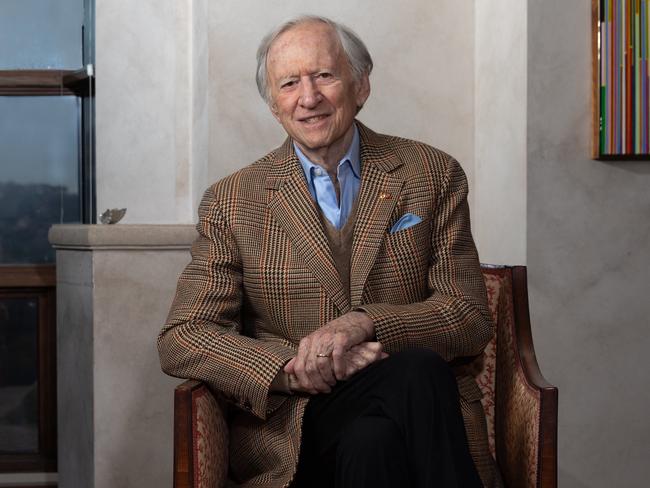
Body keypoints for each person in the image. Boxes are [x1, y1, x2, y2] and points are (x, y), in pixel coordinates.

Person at [158, 15, 496, 488]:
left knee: (374, 439)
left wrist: (366, 323)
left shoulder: (430, 173)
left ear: (361, 85)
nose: (308, 97)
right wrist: (293, 370)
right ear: (274, 105)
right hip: (295, 422)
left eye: (324, 76)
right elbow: (184, 335)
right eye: (290, 83)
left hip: (404, 410)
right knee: (417, 373)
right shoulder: (234, 200)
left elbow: (468, 317)